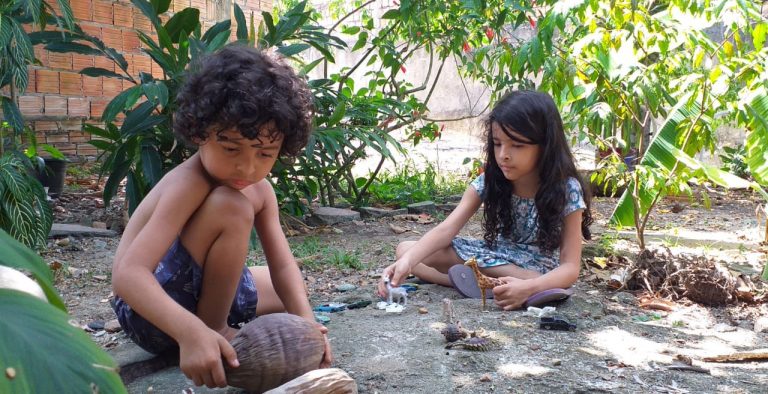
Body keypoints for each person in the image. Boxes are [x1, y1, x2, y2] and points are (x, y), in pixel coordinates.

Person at [111, 44, 331, 389]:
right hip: (149, 312)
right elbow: (127, 276)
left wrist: (308, 326)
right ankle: (213, 331)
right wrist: (192, 332)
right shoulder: (188, 182)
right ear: (200, 133)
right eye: (231, 149)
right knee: (231, 206)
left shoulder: (261, 190)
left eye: (264, 153)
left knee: (287, 286)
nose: (247, 166)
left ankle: (214, 321)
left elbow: (283, 266)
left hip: (196, 292)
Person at [378, 90, 593, 310]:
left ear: (545, 146)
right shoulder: (490, 180)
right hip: (494, 256)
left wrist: (531, 284)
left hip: (537, 269)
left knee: (537, 276)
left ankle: (520, 285)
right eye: (498, 143)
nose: (503, 155)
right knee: (405, 251)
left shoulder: (566, 189)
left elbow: (570, 267)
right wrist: (406, 263)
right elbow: (446, 230)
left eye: (517, 145)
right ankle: (490, 285)